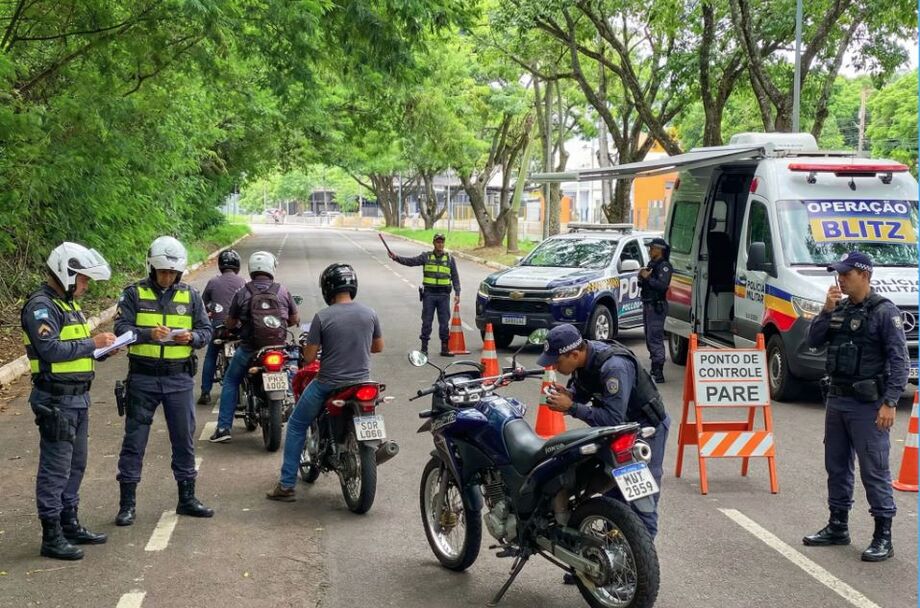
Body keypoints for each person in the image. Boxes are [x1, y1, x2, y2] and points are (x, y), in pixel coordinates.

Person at [802, 251, 907, 562]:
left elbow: (900, 361)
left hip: (868, 404)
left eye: (846, 274)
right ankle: (838, 526)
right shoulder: (839, 309)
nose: (841, 280)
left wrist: (890, 402)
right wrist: (825, 311)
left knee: (874, 469)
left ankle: (883, 536)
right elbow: (813, 341)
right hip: (837, 399)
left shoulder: (884, 312)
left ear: (864, 275)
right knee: (836, 466)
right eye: (839, 274)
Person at [21, 243, 116, 560]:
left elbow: (75, 348)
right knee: (56, 468)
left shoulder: (67, 305)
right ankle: (51, 536)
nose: (86, 285)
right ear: (67, 273)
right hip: (55, 399)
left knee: (76, 464)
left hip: (77, 398)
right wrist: (92, 343)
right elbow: (50, 350)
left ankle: (69, 523)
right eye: (84, 279)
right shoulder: (41, 307)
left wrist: (102, 350)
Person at [114, 236, 214, 526]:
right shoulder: (133, 294)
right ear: (151, 268)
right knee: (134, 442)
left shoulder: (190, 296)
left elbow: (206, 330)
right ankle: (127, 505)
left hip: (178, 379)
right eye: (162, 272)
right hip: (142, 378)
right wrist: (147, 335)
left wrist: (192, 337)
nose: (167, 277)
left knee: (183, 440)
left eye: (172, 273)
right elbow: (121, 328)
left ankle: (187, 498)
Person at [540, 324, 670, 540]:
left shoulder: (614, 367)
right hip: (619, 432)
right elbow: (586, 390)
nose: (553, 366)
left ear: (574, 354)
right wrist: (570, 395)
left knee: (642, 504)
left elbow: (612, 419)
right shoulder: (584, 362)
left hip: (646, 429)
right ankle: (610, 555)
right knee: (613, 498)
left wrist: (572, 407)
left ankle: (644, 560)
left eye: (557, 361)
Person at [266, 263, 383, 501]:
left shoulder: (323, 317)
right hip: (362, 382)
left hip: (328, 383)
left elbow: (309, 357)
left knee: (296, 423)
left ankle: (286, 485)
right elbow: (378, 347)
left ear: (327, 288)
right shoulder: (370, 313)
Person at [210, 251, 299, 442]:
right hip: (278, 348)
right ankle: (291, 404)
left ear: (251, 269)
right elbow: (294, 319)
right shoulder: (282, 291)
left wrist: (231, 325)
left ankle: (223, 429)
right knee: (293, 370)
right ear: (271, 268)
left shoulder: (242, 292)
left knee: (231, 380)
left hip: (250, 349)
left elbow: (231, 322)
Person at [388, 233, 460, 356]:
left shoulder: (449, 259)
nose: (440, 244)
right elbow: (411, 261)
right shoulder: (426, 257)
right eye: (438, 242)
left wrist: (457, 292)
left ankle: (444, 348)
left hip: (444, 295)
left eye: (442, 242)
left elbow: (455, 277)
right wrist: (396, 258)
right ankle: (424, 349)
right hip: (429, 295)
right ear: (434, 243)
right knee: (427, 322)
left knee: (444, 323)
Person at [197, 249, 246, 405]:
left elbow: (203, 305)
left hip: (218, 328)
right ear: (237, 266)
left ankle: (205, 392)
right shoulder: (243, 282)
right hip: (238, 328)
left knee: (211, 355)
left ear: (220, 266)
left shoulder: (213, 282)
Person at [637, 237, 672, 383]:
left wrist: (648, 278)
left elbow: (662, 285)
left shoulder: (664, 266)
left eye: (652, 248)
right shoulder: (652, 264)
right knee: (649, 336)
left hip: (656, 305)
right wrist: (641, 277)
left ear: (659, 249)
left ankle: (658, 370)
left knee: (655, 337)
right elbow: (644, 284)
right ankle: (654, 366)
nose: (650, 251)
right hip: (648, 303)